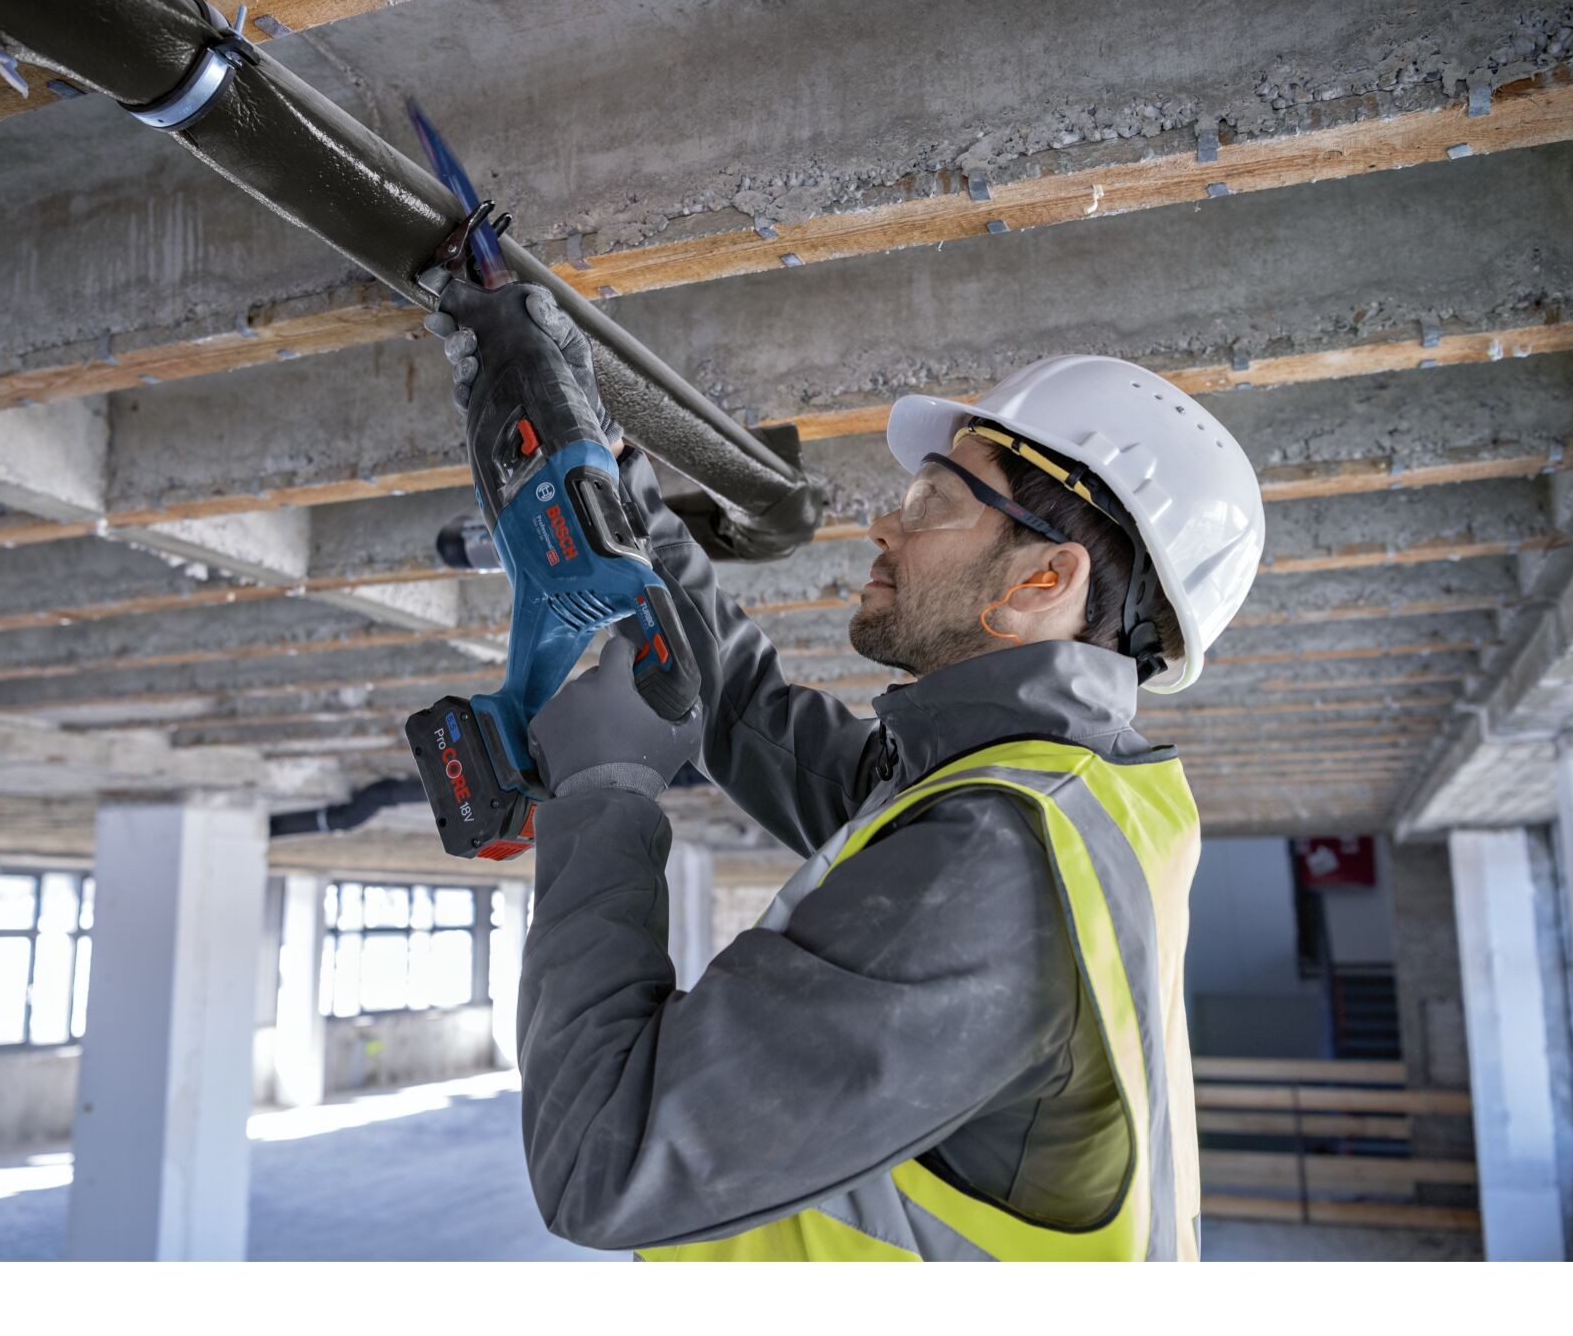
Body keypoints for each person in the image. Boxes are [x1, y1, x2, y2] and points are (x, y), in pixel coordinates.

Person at [430, 290, 1265, 1260]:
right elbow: (747, 712)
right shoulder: (1019, 786)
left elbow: (603, 1158)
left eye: (932, 502)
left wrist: (603, 799)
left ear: (1045, 580)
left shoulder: (992, 867)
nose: (884, 527)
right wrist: (606, 474)